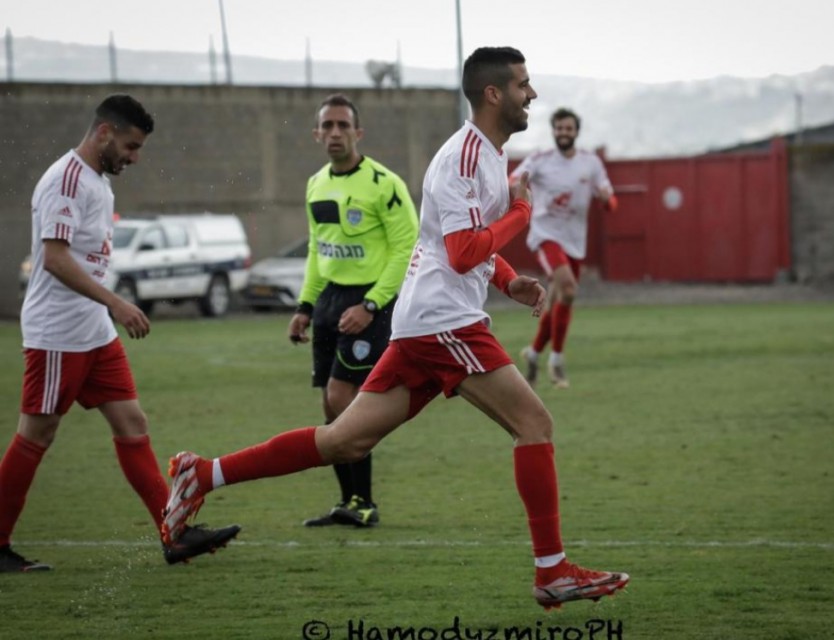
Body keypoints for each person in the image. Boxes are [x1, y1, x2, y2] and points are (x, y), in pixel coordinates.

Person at [162, 47, 629, 609]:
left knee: (344, 440)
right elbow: (462, 252)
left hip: (424, 322)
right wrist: (521, 215)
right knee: (534, 424)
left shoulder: (488, 155)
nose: (532, 94)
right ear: (493, 94)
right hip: (444, 321)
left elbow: (450, 242)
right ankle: (552, 572)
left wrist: (508, 282)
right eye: (523, 85)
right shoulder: (462, 159)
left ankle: (201, 474)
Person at [0, 94, 240, 573]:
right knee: (37, 433)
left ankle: (174, 534)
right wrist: (116, 302)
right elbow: (55, 258)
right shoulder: (66, 180)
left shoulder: (98, 181)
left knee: (133, 424)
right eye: (131, 146)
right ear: (104, 132)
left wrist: (105, 310)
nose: (135, 157)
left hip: (92, 330)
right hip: (58, 332)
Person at [288, 94, 419, 528]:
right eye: (327, 126)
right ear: (316, 134)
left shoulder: (384, 183)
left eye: (343, 125)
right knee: (330, 407)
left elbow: (406, 249)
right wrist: (306, 305)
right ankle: (351, 501)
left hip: (370, 302)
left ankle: (364, 501)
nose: (335, 133)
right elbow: (317, 248)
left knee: (342, 398)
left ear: (358, 133)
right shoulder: (315, 184)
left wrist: (372, 304)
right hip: (330, 301)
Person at [512, 108, 617, 389]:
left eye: (568, 128)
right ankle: (556, 361)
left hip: (574, 241)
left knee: (559, 298)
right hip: (546, 236)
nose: (563, 133)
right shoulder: (541, 159)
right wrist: (516, 190)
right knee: (568, 289)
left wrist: (606, 199)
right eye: (559, 128)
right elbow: (515, 178)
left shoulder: (590, 163)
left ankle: (534, 353)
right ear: (553, 131)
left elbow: (611, 201)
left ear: (576, 132)